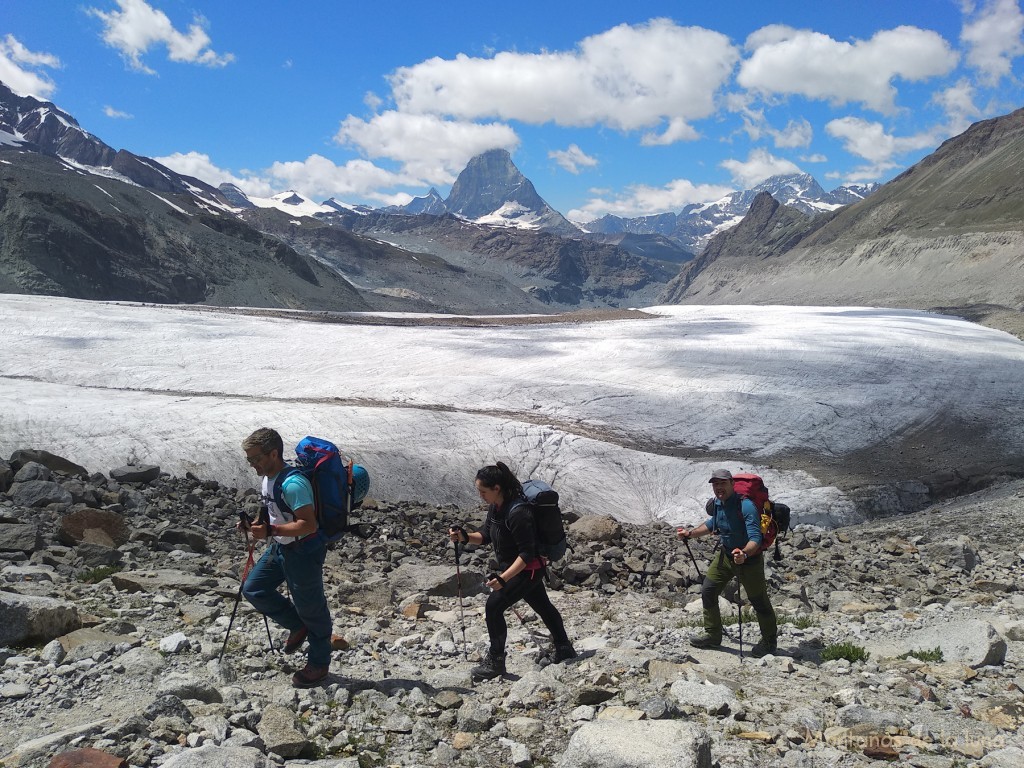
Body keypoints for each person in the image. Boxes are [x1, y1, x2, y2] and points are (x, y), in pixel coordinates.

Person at [449, 461, 576, 681]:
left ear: (496, 488)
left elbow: (527, 554)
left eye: (483, 491)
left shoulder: (518, 512)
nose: (480, 495)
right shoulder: (497, 507)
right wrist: (465, 537)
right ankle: (563, 647)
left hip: (528, 570)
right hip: (519, 569)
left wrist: (503, 578)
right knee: (543, 606)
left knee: (494, 606)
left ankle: (496, 661)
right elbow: (486, 534)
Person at [240, 427, 333, 688]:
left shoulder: (294, 484)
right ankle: (297, 626)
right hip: (281, 547)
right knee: (254, 588)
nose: (252, 464)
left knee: (312, 608)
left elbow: (308, 525)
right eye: (249, 459)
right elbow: (274, 511)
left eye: (255, 458)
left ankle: (319, 664)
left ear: (273, 453)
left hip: (303, 551)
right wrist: (255, 526)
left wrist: (271, 531)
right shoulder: (268, 478)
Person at [677, 468, 778, 658]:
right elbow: (713, 523)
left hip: (749, 560)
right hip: (725, 555)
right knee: (708, 590)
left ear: (732, 483)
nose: (718, 488)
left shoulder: (746, 506)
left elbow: (755, 537)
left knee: (759, 601)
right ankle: (713, 635)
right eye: (715, 484)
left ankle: (769, 642)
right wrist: (690, 534)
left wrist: (745, 554)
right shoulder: (718, 503)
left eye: (722, 483)